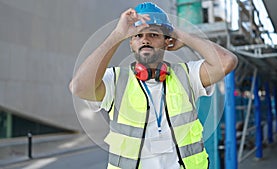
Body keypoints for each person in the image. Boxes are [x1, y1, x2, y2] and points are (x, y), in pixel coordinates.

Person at [69, 2, 238, 169]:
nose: (145, 40)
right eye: (138, 35)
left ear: (167, 42)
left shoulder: (187, 75)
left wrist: (183, 36)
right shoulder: (115, 80)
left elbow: (227, 62)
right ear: (131, 43)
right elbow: (79, 87)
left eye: (154, 35)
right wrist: (117, 35)